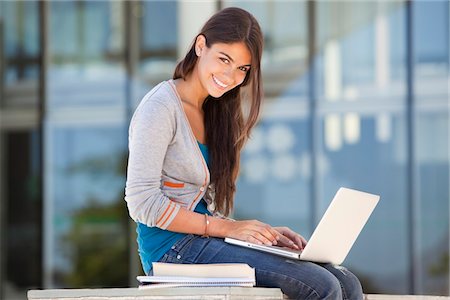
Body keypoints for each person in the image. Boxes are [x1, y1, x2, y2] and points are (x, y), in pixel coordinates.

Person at [125, 7, 363, 300]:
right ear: (201, 46)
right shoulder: (160, 108)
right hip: (172, 251)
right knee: (320, 285)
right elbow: (141, 202)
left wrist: (262, 239)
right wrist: (230, 228)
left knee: (345, 281)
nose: (230, 76)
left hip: (205, 241)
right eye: (224, 59)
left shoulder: (215, 110)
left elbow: (208, 208)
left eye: (242, 69)